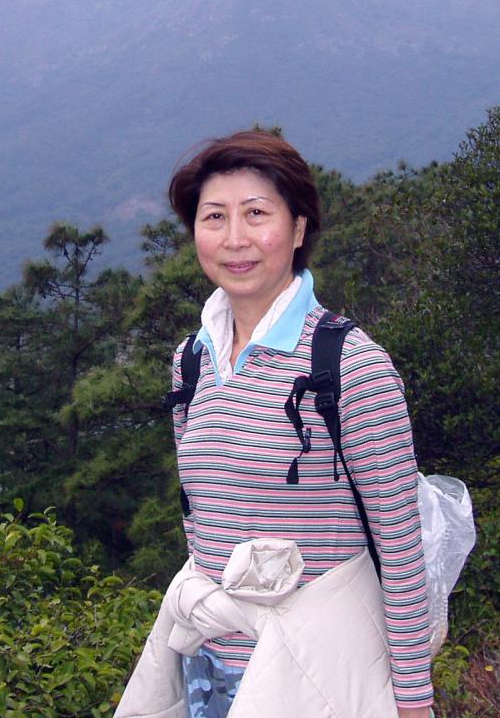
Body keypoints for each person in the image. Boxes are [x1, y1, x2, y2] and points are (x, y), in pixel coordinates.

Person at [154, 129, 433, 717]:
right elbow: (201, 517)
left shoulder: (349, 364)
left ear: (299, 228)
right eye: (214, 217)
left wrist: (412, 700)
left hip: (317, 677)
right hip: (208, 668)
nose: (235, 238)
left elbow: (400, 543)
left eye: (257, 214)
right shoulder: (192, 361)